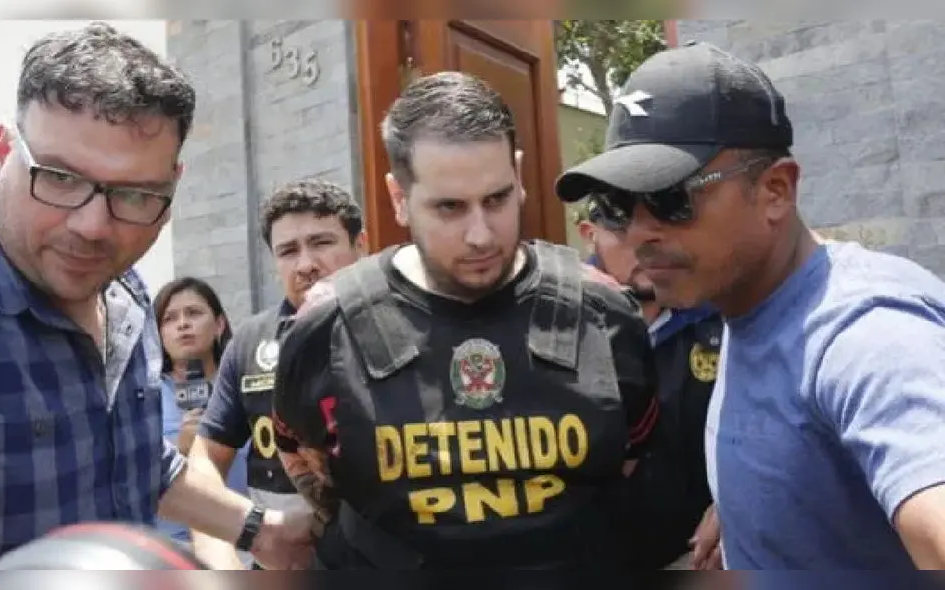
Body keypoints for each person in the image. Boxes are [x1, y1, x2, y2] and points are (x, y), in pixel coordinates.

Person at [554, 41, 945, 574]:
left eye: (672, 197)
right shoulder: (745, 305)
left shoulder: (866, 334)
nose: (641, 231)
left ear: (776, 191)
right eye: (621, 205)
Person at [0, 22, 312, 569]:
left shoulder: (125, 292)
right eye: (60, 177)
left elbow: (131, 462)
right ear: (3, 152)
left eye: (137, 194)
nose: (94, 226)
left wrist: (260, 531)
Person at [270, 71, 659, 572]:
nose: (480, 235)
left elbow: (635, 454)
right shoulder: (326, 325)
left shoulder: (605, 313)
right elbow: (304, 460)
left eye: (496, 199)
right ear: (398, 199)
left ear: (518, 175)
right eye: (450, 207)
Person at [189, 179, 367, 569]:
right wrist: (222, 560)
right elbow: (204, 463)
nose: (306, 264)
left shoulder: (403, 331)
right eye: (288, 251)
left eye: (322, 242)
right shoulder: (248, 342)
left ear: (361, 246)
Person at [573, 197, 723, 570]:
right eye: (623, 232)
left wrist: (735, 502)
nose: (643, 247)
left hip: (700, 556)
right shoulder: (560, 323)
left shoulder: (719, 314)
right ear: (590, 235)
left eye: (657, 228)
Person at [152, 277, 251, 562]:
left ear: (219, 325)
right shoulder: (145, 395)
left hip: (243, 546)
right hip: (170, 552)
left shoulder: (245, 388)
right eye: (170, 318)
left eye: (193, 313)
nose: (183, 324)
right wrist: (180, 451)